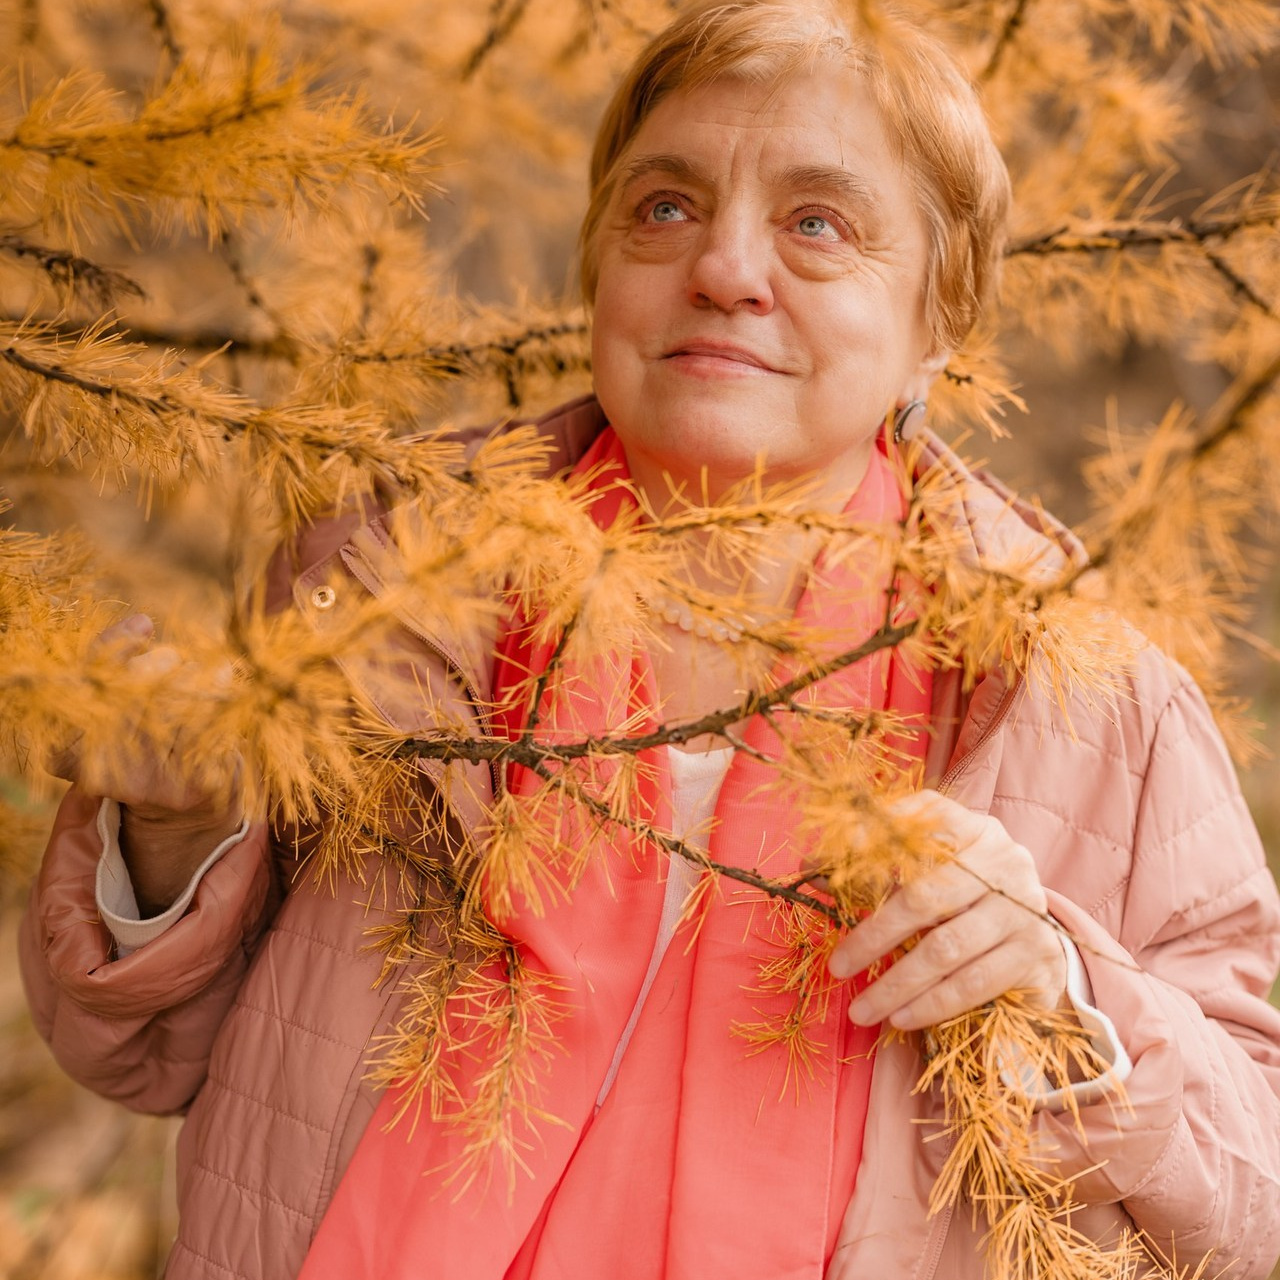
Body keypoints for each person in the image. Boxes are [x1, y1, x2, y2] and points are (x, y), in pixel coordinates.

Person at [19, 2, 1280, 1278]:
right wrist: (170, 830)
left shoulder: (1080, 694)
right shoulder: (379, 581)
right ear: (598, 264)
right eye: (663, 206)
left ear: (939, 316)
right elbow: (145, 1050)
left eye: (816, 222)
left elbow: (1256, 1191)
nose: (725, 266)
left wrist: (1060, 986)